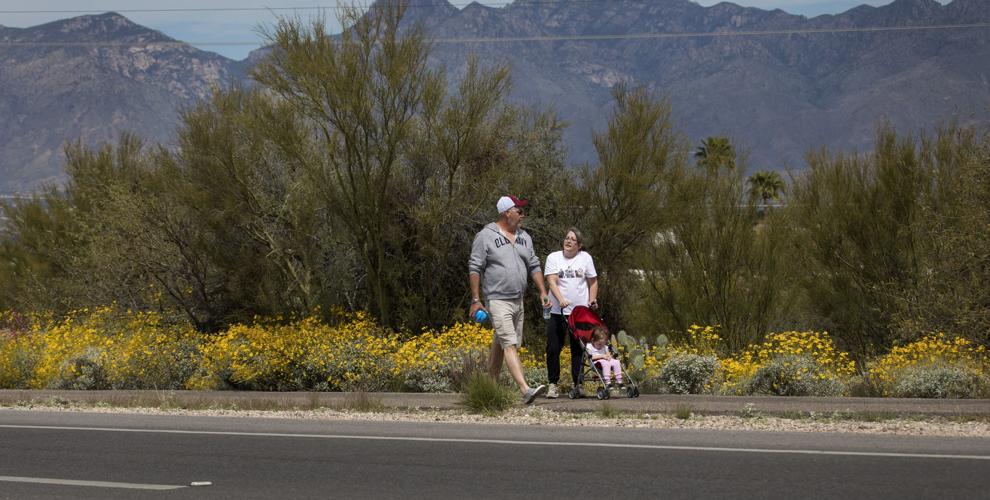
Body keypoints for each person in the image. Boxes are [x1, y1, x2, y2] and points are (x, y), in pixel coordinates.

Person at [468, 195, 550, 404]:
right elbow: (475, 267)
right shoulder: (485, 236)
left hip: (518, 300)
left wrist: (542, 291)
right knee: (509, 343)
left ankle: (489, 387)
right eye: (519, 211)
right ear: (507, 212)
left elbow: (534, 265)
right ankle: (525, 390)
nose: (523, 215)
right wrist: (476, 299)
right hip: (497, 299)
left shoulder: (525, 237)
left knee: (501, 343)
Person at [544, 227, 598, 399]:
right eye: (567, 238)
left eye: (573, 239)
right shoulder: (554, 257)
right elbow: (552, 282)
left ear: (579, 245)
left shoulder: (585, 258)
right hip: (557, 311)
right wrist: (560, 299)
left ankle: (578, 384)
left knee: (578, 349)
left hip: (579, 313)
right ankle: (553, 384)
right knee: (553, 347)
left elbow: (593, 281)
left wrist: (592, 300)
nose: (568, 241)